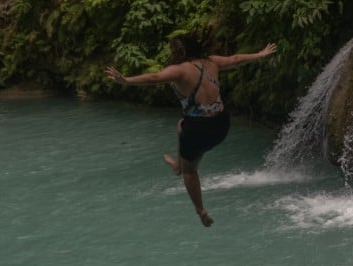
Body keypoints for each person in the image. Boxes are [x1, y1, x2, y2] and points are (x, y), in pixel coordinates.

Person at [106, 31, 277, 227]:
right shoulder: (212, 62)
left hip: (198, 129)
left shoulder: (178, 70)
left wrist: (126, 80)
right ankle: (179, 164)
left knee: (190, 172)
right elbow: (236, 59)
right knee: (180, 126)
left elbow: (154, 77)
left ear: (178, 52)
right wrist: (260, 54)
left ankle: (200, 210)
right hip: (222, 124)